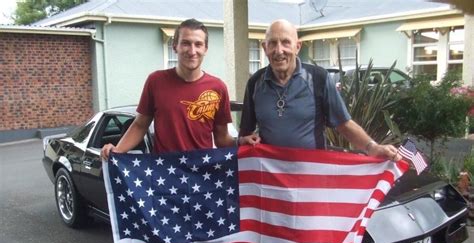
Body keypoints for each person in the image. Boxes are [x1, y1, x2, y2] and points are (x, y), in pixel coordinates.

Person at [238, 19, 401, 161]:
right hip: (271, 178)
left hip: (311, 176)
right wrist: (243, 141)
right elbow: (245, 133)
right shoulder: (255, 83)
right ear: (265, 47)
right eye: (272, 43)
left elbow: (343, 124)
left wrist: (372, 148)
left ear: (297, 47)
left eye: (286, 42)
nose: (279, 50)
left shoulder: (318, 79)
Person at [101, 18, 234, 160]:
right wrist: (117, 150)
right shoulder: (156, 81)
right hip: (165, 174)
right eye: (186, 43)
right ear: (174, 46)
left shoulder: (218, 88)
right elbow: (140, 125)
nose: (192, 51)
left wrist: (246, 144)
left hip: (202, 174)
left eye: (198, 44)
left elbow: (222, 138)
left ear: (205, 49)